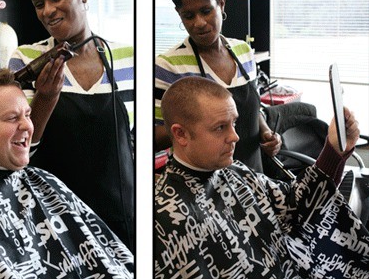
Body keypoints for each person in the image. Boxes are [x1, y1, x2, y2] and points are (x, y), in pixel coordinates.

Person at [0, 70, 134, 278]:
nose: (27, 126)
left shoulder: (45, 181)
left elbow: (116, 259)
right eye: (12, 118)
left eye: (28, 115)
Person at [154, 76, 369, 279]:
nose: (235, 136)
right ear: (181, 134)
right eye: (220, 127)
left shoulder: (236, 173)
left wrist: (335, 149)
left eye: (234, 123)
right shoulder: (165, 214)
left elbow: (298, 204)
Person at [8, 0, 135, 251]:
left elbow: (134, 141)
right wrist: (46, 97)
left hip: (121, 219)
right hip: (54, 224)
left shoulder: (128, 57)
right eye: (39, 3)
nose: (48, 11)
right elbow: (21, 147)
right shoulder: (27, 61)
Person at [155, 0, 281, 172]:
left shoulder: (243, 52)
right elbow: (156, 136)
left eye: (206, 11)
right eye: (188, 16)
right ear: (179, 14)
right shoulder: (169, 66)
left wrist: (267, 133)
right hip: (204, 188)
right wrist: (199, 124)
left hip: (253, 177)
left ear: (221, 4)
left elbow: (252, 108)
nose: (199, 23)